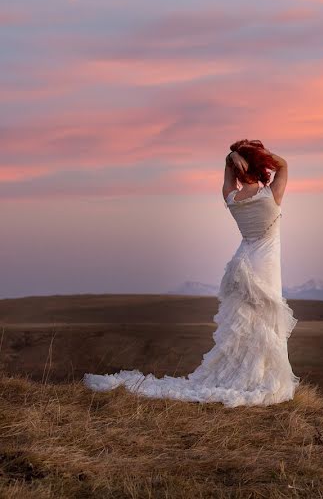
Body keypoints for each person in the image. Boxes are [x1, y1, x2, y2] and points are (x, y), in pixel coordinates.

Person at [82, 140, 300, 407]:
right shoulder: (271, 196)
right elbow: (283, 165)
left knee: (243, 326)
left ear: (236, 168)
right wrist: (256, 156)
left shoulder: (232, 198)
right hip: (265, 265)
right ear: (259, 165)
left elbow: (230, 178)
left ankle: (241, 374)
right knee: (264, 322)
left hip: (242, 263)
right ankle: (259, 377)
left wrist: (232, 157)